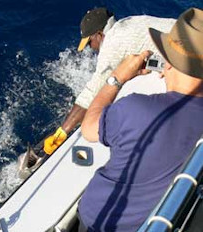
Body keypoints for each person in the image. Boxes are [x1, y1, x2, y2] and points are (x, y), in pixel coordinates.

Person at [78, 7, 203, 232]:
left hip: (99, 222)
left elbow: (88, 128)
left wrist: (117, 78)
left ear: (168, 63)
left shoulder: (137, 108)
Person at [43, 7, 176, 155]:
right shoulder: (129, 21)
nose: (90, 48)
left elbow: (91, 94)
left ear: (99, 34)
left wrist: (61, 134)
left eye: (89, 42)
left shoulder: (112, 44)